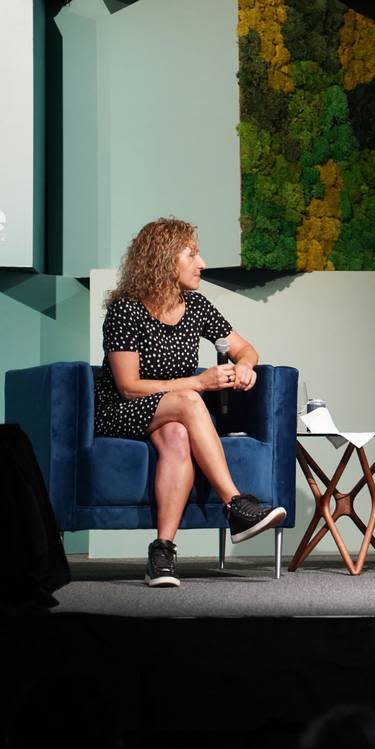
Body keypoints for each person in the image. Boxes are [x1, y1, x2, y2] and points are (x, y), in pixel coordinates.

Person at [97, 217, 285, 588]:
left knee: (179, 437)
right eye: (193, 254)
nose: (203, 264)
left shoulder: (196, 306)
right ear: (166, 260)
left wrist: (245, 366)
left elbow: (246, 348)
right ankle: (235, 504)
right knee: (187, 399)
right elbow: (129, 387)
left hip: (173, 412)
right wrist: (197, 382)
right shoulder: (126, 311)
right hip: (120, 411)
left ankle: (162, 553)